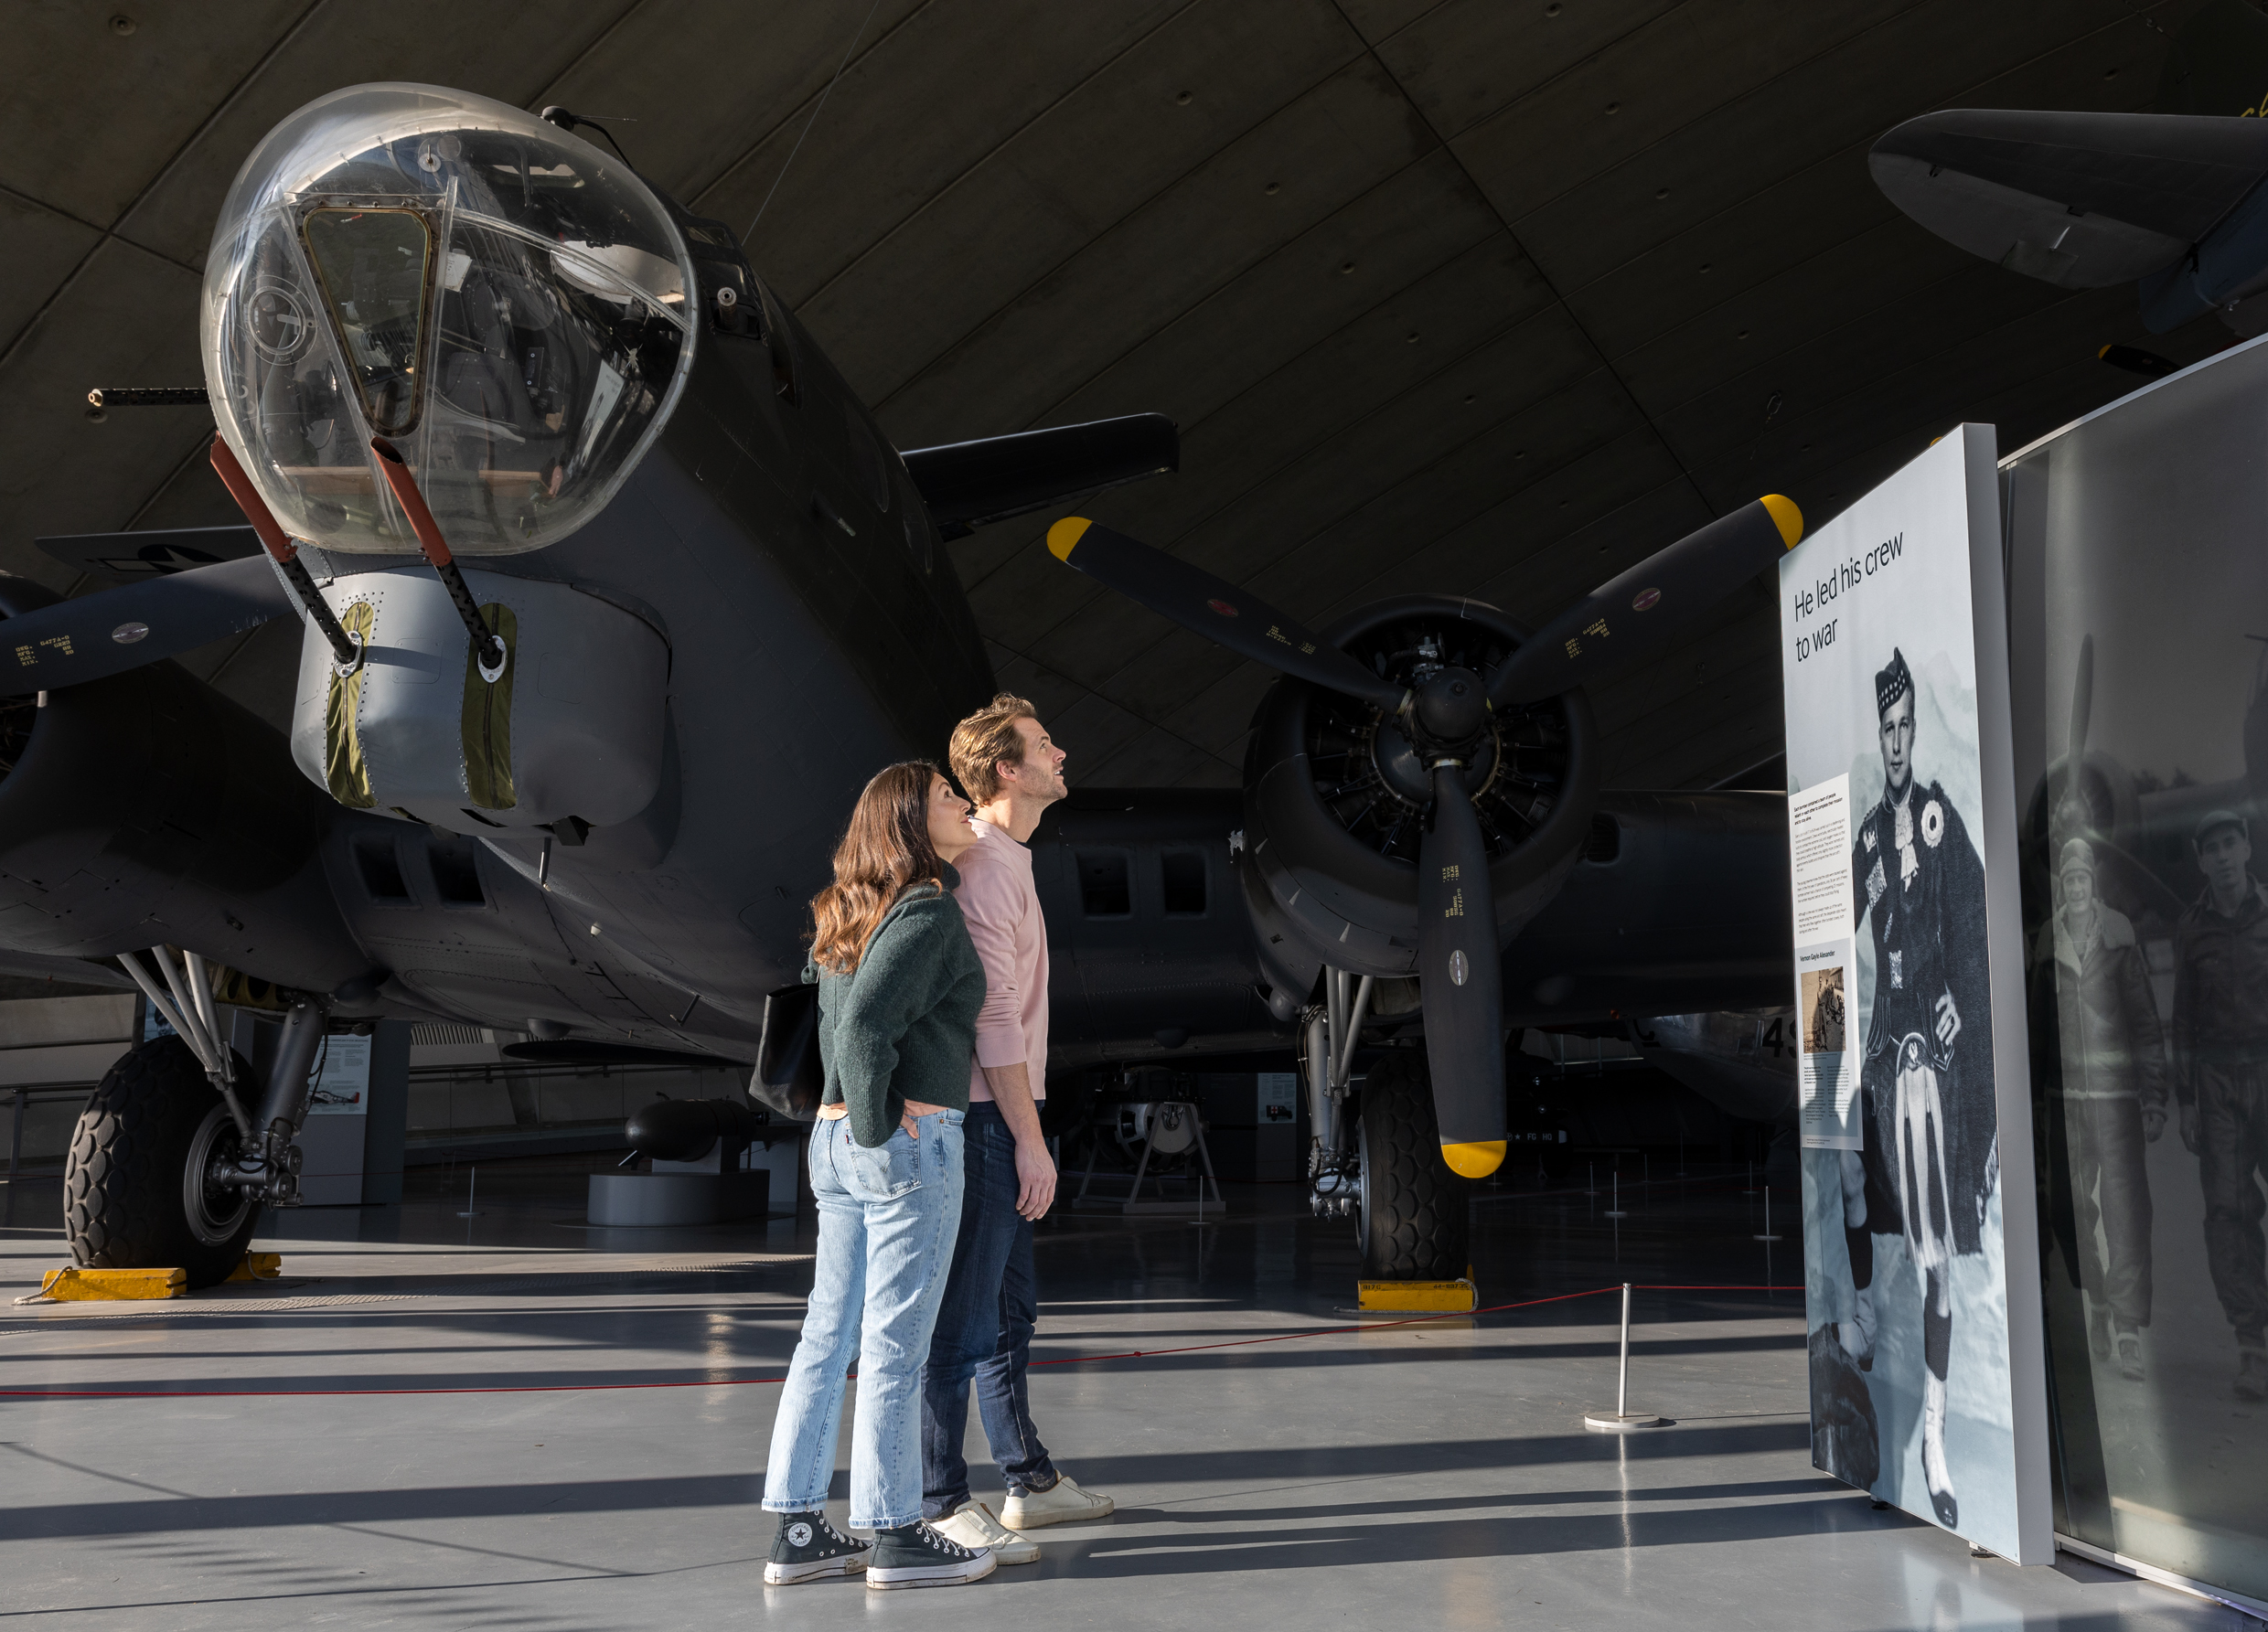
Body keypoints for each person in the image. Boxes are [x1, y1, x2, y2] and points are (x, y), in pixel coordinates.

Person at [763, 763, 995, 1591]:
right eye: (944, 797)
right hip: (903, 1140)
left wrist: (854, 1128)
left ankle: (796, 1528)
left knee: (827, 1338)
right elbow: (865, 1027)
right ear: (907, 821)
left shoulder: (846, 913)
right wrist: (878, 1128)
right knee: (895, 1344)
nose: (963, 805)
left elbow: (837, 1016)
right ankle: (894, 1534)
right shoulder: (928, 910)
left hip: (829, 1146)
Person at [921, 695, 1115, 1562]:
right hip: (981, 1117)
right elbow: (991, 1021)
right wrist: (1029, 1138)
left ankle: (1026, 1479)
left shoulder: (1010, 859)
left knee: (1008, 1312)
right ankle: (937, 1498)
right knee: (964, 1320)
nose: (1060, 751)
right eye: (1044, 744)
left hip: (996, 1113)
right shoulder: (988, 870)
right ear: (1007, 768)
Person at [1841, 647, 1997, 1528]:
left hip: (1929, 1060)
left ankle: (1933, 1432)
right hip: (1876, 1047)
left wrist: (1956, 1009)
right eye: (1886, 730)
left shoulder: (1939, 821)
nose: (1896, 742)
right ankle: (1862, 1313)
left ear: (1915, 731)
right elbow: (1832, 929)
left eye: (1905, 728)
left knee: (1936, 1251)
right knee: (1854, 1183)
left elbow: (1971, 926)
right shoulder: (1867, 832)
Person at [2037, 837, 2166, 1381]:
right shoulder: (2048, 946)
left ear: (2094, 883)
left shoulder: (2118, 941)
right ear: (2061, 887)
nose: (2076, 887)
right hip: (2065, 1102)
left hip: (2115, 1100)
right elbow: (2037, 1030)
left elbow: (2145, 1023)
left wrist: (2156, 1095)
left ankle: (2130, 1329)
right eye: (2068, 880)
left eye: (2083, 878)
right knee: (2070, 1215)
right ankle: (2098, 1300)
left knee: (2125, 1213)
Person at [2170, 808, 2268, 1403]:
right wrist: (2186, 1101)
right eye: (2214, 849)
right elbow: (2182, 1019)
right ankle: (2253, 1343)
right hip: (2217, 1083)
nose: (2225, 856)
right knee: (2228, 1212)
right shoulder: (2192, 928)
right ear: (2202, 860)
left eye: (2232, 843)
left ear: (2248, 847)